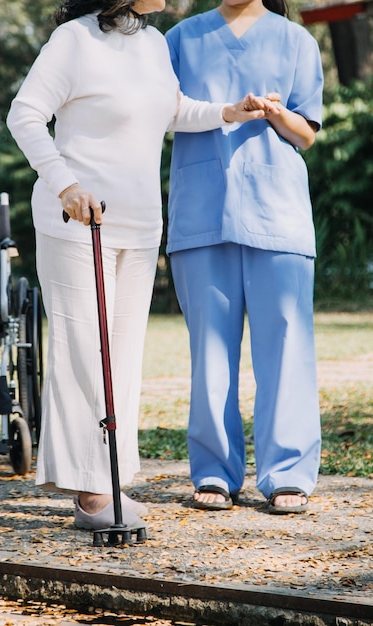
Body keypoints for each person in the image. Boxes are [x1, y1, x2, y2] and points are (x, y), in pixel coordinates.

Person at [6, 0, 279, 531]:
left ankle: (112, 476)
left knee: (123, 354)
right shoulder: (74, 41)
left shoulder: (153, 43)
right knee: (86, 348)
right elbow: (25, 113)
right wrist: (65, 184)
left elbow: (173, 110)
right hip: (77, 219)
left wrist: (229, 111)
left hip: (138, 221)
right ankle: (90, 492)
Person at [165, 0, 323, 514]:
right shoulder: (180, 39)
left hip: (278, 214)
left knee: (287, 348)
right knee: (210, 354)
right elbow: (162, 116)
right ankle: (214, 473)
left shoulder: (296, 40)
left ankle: (289, 476)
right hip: (201, 212)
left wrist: (278, 114)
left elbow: (308, 134)